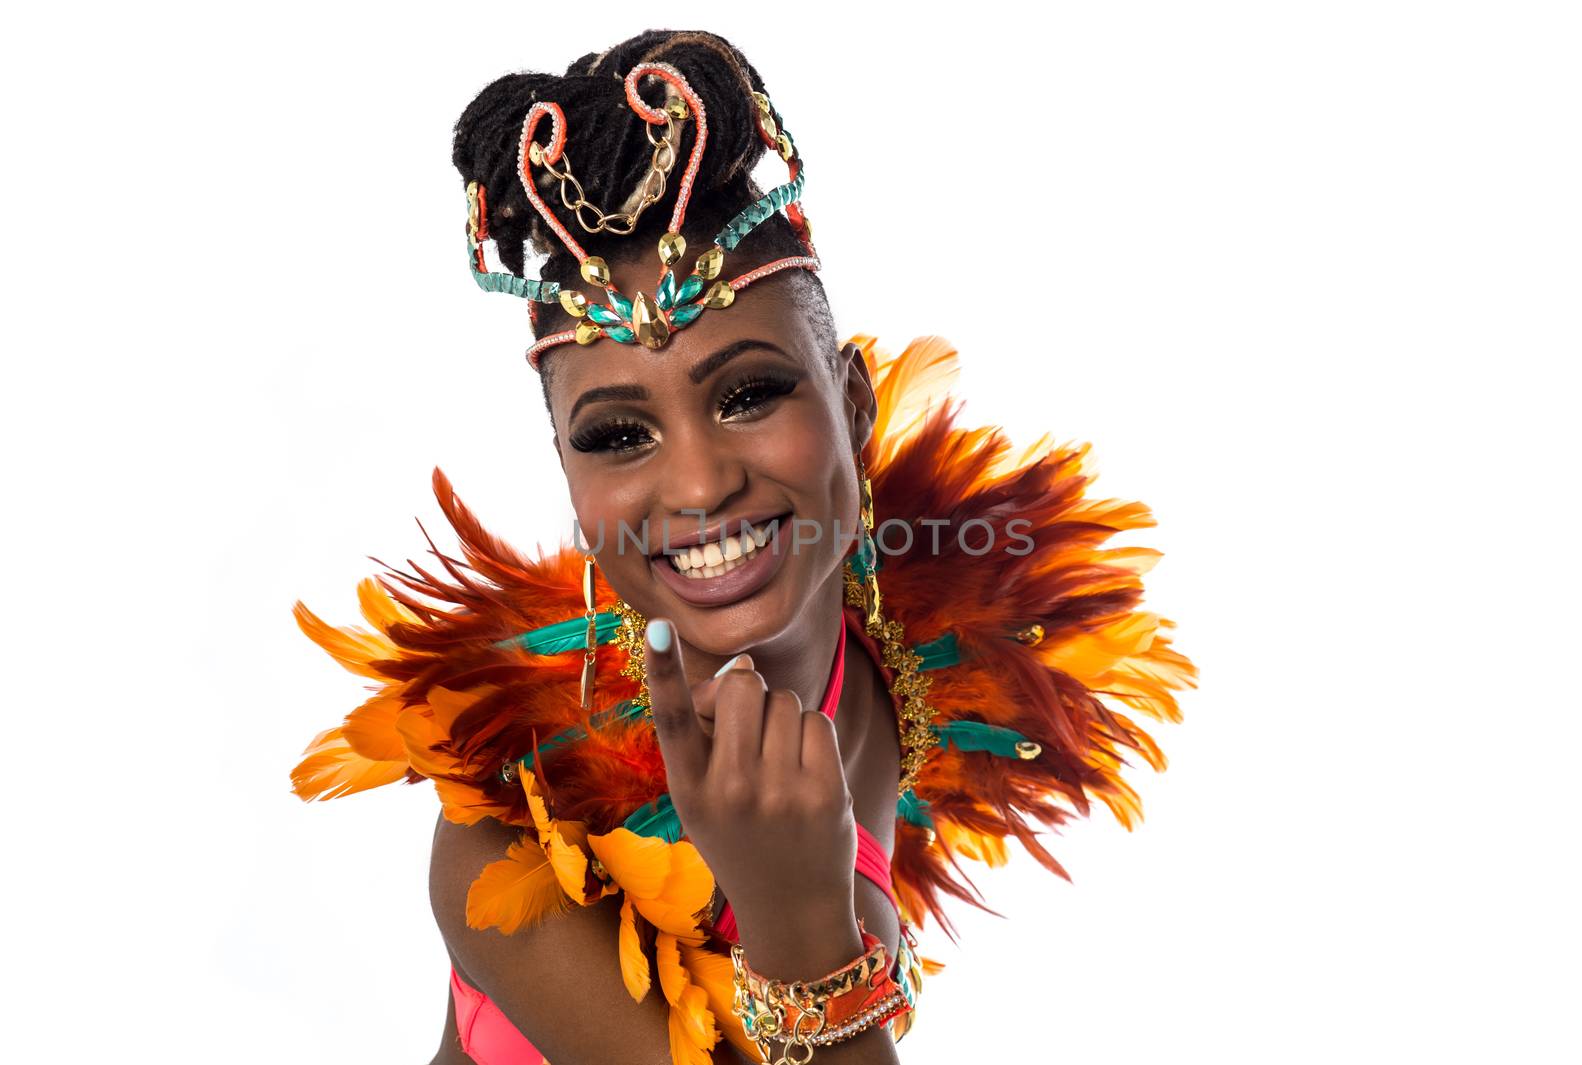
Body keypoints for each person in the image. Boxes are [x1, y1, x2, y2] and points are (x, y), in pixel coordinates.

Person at [289, 29, 1197, 1065]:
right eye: (618, 436)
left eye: (750, 393)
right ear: (569, 480)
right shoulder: (510, 844)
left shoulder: (927, 647)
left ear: (853, 407)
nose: (700, 484)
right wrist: (800, 921)